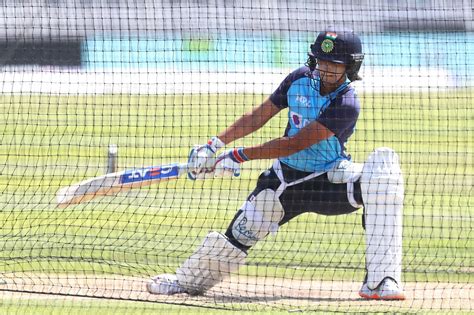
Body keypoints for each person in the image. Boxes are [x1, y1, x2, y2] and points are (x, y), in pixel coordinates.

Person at [147, 30, 405, 300]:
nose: (326, 69)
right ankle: (186, 282)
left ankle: (381, 280)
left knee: (382, 175)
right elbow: (258, 116)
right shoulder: (299, 79)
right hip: (284, 182)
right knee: (239, 234)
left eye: (335, 64)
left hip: (328, 181)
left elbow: (295, 143)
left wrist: (238, 156)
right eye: (321, 61)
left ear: (350, 67)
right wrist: (213, 146)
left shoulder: (347, 103)